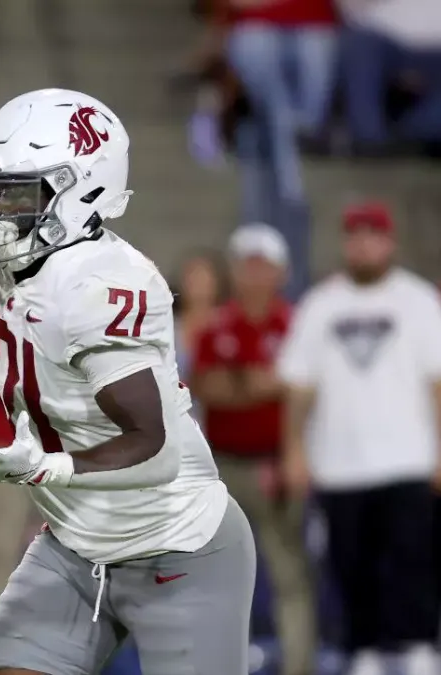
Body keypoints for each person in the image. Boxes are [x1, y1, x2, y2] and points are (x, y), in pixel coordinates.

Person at [0, 87, 257, 674]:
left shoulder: (99, 284)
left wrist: (46, 468)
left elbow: (156, 451)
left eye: (15, 193)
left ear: (82, 193)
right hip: (76, 541)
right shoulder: (8, 260)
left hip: (177, 541)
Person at [279, 201, 441, 675]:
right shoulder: (320, 304)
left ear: (389, 242)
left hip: (408, 457)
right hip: (340, 463)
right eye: (356, 235)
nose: (364, 244)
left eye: (374, 235)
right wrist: (293, 450)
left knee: (413, 562)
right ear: (346, 243)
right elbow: (298, 386)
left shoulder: (418, 301)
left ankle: (418, 649)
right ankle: (364, 650)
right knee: (351, 564)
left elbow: (437, 382)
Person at [193, 223, 316, 675]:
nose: (255, 275)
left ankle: (298, 665)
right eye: (247, 265)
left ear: (280, 272)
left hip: (278, 460)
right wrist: (265, 382)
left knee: (290, 572)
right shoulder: (218, 325)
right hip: (224, 465)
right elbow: (211, 388)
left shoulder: (299, 323)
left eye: (263, 266)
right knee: (218, 572)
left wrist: (247, 381)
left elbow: (304, 390)